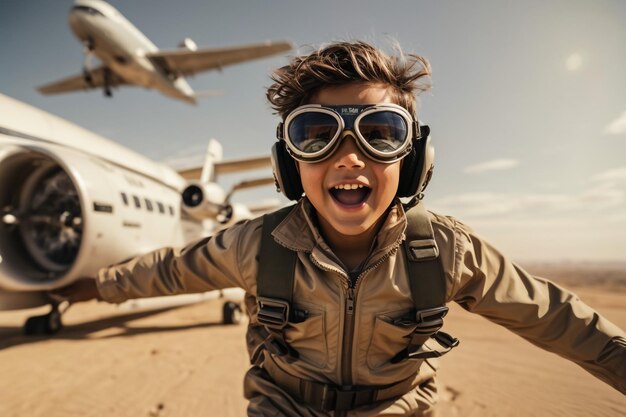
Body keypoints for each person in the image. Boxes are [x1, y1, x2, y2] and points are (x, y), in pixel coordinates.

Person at [55, 40, 626, 416]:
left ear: (413, 159)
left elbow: (555, 316)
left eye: (380, 133)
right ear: (288, 163)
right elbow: (172, 271)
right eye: (315, 134)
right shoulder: (258, 245)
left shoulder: (446, 252)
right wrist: (98, 286)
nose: (349, 157)